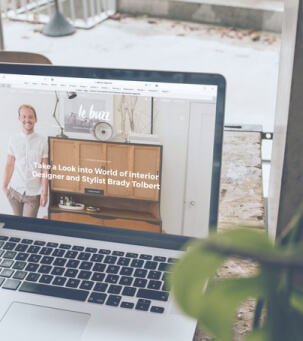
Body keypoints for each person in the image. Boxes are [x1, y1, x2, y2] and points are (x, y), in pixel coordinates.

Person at [2, 104, 49, 217]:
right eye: (24, 116)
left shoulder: (42, 141)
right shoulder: (13, 139)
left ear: (35, 120)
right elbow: (9, 164)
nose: (27, 120)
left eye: (30, 117)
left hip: (33, 194)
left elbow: (45, 169)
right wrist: (4, 187)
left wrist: (44, 194)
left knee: (28, 227)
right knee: (17, 227)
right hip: (14, 192)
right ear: (19, 118)